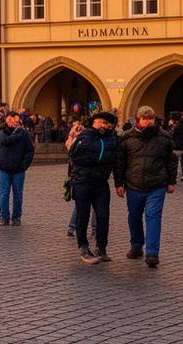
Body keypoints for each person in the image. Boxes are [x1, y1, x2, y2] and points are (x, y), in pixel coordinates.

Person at [114, 106, 175, 268]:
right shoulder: (126, 138)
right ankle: (136, 245)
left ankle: (152, 253)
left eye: (151, 119)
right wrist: (119, 183)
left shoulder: (164, 137)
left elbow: (170, 160)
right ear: (138, 120)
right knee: (134, 216)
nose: (149, 122)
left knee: (153, 216)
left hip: (157, 184)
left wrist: (171, 181)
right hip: (133, 184)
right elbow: (119, 163)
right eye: (145, 119)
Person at [68, 111, 119, 265]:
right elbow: (74, 155)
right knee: (82, 215)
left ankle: (101, 248)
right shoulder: (84, 137)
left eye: (107, 123)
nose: (104, 125)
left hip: (101, 183)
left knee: (103, 216)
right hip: (82, 182)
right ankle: (83, 247)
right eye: (101, 122)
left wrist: (118, 181)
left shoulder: (112, 139)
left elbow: (116, 160)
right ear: (94, 122)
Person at [0, 111, 34, 225]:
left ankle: (16, 217)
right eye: (11, 119)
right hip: (4, 169)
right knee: (4, 194)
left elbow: (29, 151)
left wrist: (23, 165)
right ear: (7, 120)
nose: (14, 122)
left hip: (18, 170)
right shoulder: (1, 134)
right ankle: (4, 217)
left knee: (18, 194)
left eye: (16, 120)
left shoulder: (23, 134)